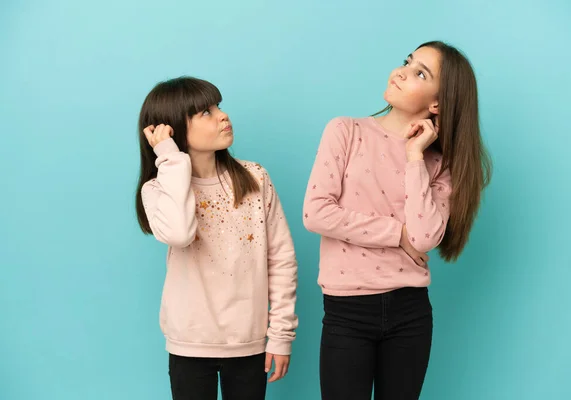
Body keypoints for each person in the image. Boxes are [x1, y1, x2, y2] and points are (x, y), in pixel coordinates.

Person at [303, 41, 492, 400]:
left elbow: (422, 238)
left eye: (421, 72)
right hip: (347, 311)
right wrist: (396, 234)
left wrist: (414, 156)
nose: (402, 72)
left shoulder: (438, 164)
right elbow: (316, 212)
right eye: (407, 62)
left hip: (410, 313)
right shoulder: (346, 130)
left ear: (437, 104)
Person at [135, 77, 299, 400]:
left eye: (219, 107)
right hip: (190, 345)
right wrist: (170, 157)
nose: (222, 116)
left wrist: (281, 334)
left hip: (249, 344)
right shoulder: (157, 191)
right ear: (173, 130)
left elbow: (281, 259)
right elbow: (180, 233)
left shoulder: (255, 179)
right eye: (206, 112)